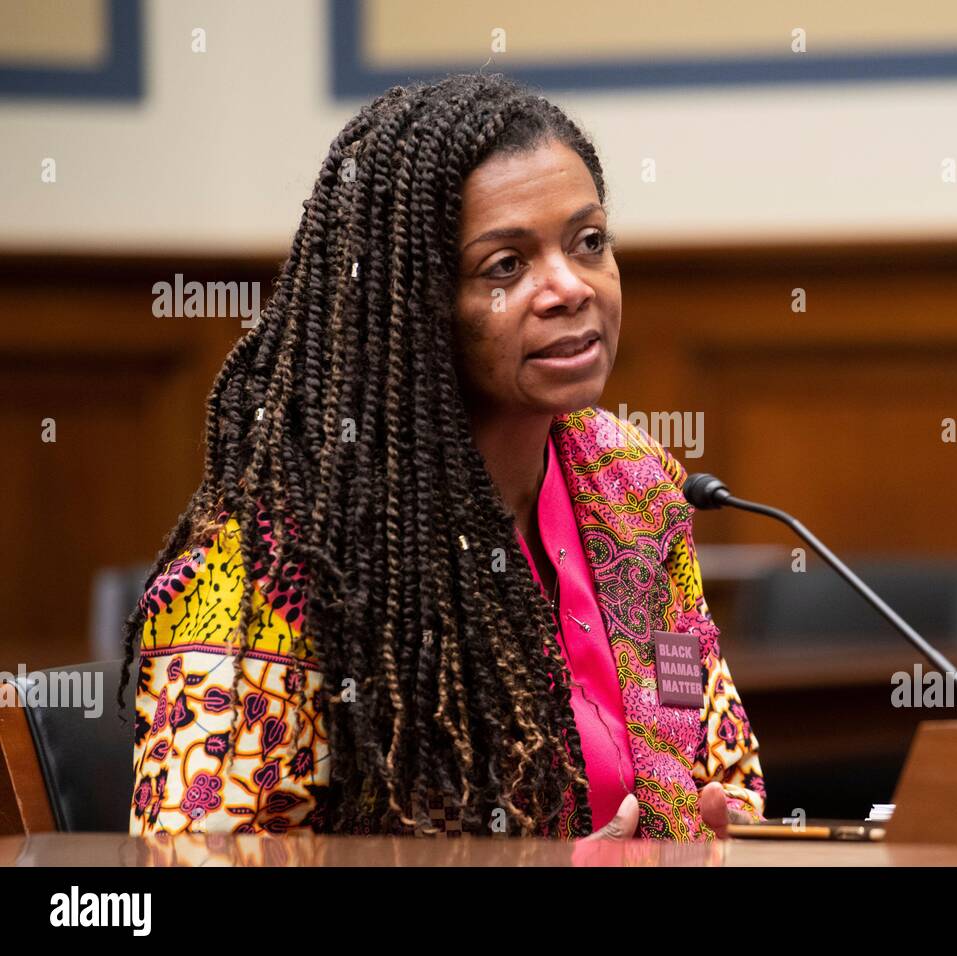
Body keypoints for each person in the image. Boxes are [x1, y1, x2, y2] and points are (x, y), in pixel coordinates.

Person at [121, 73, 765, 842]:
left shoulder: (638, 486)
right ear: (414, 306)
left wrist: (721, 829)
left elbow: (717, 761)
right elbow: (193, 865)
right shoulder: (273, 571)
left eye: (589, 242)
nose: (570, 287)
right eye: (505, 266)